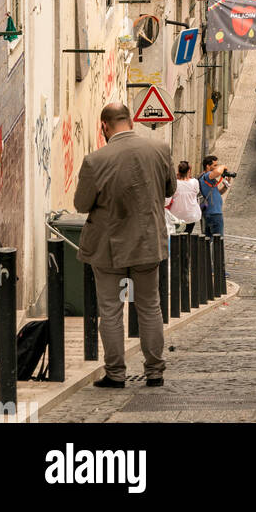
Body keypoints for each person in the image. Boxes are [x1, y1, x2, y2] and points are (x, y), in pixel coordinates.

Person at [74, 102, 176, 389]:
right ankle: (155, 372)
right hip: (147, 243)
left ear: (104, 126)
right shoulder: (159, 150)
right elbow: (170, 189)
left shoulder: (95, 160)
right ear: (130, 122)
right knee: (150, 307)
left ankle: (116, 374)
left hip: (109, 249)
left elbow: (81, 204)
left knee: (111, 310)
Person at [199, 154, 231, 238]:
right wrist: (223, 166)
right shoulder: (207, 176)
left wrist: (226, 184)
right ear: (208, 166)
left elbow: (218, 192)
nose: (216, 167)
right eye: (215, 165)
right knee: (218, 240)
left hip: (210, 213)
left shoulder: (209, 179)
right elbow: (218, 172)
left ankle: (209, 251)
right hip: (214, 214)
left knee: (209, 240)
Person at [167, 160, 202, 233]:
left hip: (177, 215)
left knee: (177, 236)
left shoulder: (175, 183)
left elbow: (168, 200)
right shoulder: (194, 182)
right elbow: (197, 192)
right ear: (189, 171)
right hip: (191, 214)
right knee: (188, 234)